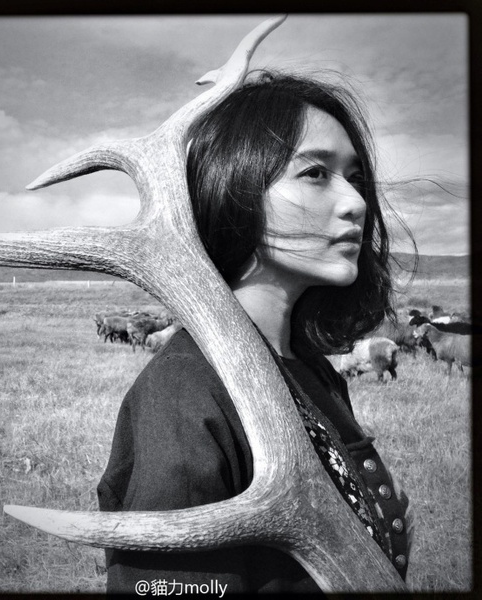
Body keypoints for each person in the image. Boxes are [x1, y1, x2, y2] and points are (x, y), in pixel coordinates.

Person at [97, 70, 414, 594]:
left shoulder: (313, 369)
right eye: (315, 173)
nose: (356, 201)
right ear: (236, 190)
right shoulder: (184, 393)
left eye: (355, 178)